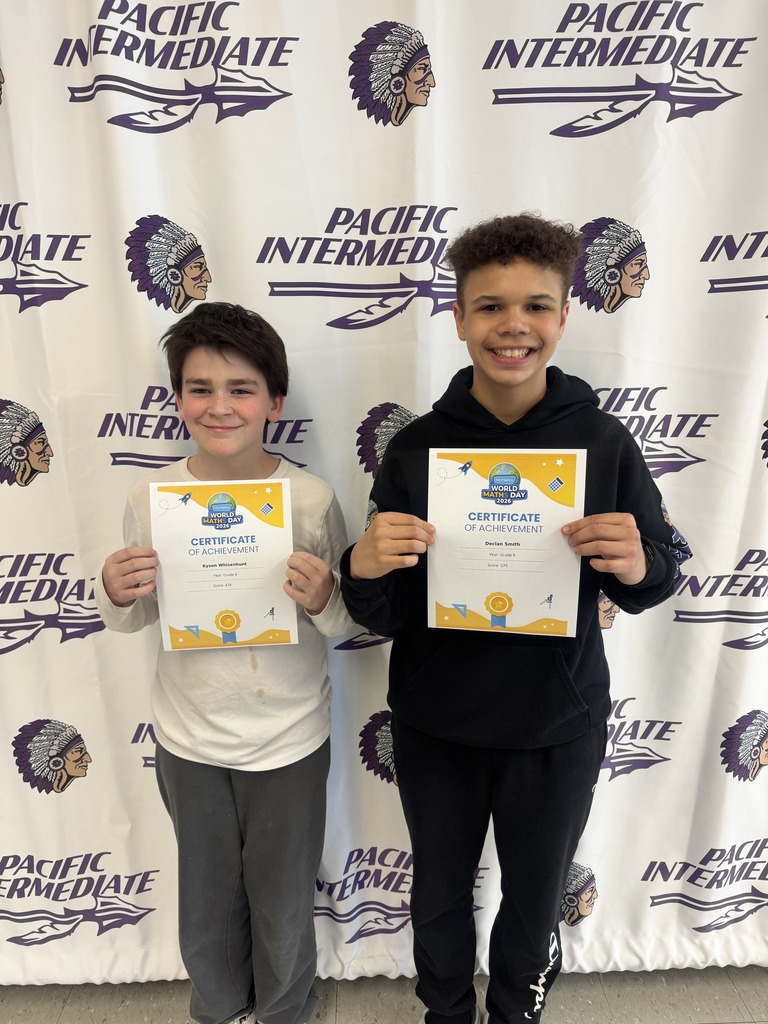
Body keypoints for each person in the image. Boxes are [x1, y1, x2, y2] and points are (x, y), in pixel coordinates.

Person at [340, 214, 683, 1024]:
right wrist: (363, 564)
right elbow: (381, 609)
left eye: (535, 305)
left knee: (534, 902)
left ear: (564, 317)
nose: (513, 326)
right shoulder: (417, 448)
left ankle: (515, 1009)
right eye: (489, 306)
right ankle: (446, 1011)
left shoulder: (603, 442)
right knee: (437, 896)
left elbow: (658, 574)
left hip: (557, 723)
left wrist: (637, 564)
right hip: (437, 721)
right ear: (458, 319)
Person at [96, 302, 353, 1024]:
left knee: (280, 902)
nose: (220, 406)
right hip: (189, 738)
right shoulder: (152, 497)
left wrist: (325, 595)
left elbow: (341, 618)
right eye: (200, 388)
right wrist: (114, 593)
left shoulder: (308, 499)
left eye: (241, 389)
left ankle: (283, 1012)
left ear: (274, 401)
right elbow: (138, 613)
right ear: (177, 398)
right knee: (206, 903)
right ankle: (215, 1010)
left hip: (289, 738)